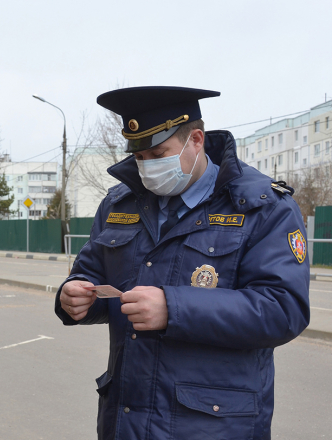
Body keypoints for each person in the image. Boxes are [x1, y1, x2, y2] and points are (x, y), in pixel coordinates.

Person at [55, 86, 310, 440]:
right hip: (126, 421)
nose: (146, 166)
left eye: (158, 153)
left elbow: (283, 310)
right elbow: (92, 271)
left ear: (196, 140)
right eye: (139, 156)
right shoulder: (119, 205)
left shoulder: (262, 207)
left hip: (212, 426)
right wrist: (74, 295)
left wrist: (174, 309)